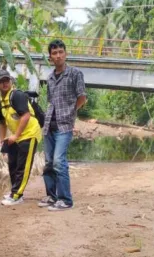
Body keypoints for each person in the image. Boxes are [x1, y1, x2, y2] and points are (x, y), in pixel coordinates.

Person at [38, 39, 87, 211]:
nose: (58, 55)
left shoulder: (75, 74)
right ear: (50, 57)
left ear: (65, 54)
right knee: (49, 162)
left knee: (59, 161)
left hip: (64, 125)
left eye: (60, 52)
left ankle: (66, 200)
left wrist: (71, 111)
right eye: (54, 53)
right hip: (49, 125)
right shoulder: (50, 77)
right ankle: (52, 196)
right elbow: (51, 101)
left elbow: (82, 97)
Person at [0, 69, 42, 206]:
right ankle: (14, 192)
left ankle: (16, 195)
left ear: (11, 81)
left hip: (29, 134)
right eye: (1, 81)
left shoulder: (17, 95)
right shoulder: (0, 101)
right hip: (16, 136)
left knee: (23, 166)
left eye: (7, 80)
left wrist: (15, 135)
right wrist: (2, 139)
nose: (5, 83)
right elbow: (2, 122)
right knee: (12, 165)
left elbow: (26, 115)